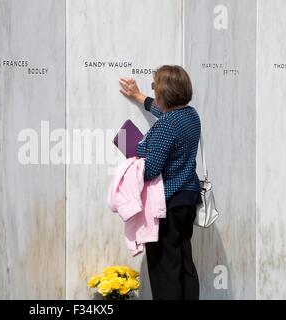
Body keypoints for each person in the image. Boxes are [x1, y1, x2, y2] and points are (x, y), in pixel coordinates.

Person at [119, 65, 202, 300]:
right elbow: (165, 113)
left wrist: (137, 151)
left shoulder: (167, 125)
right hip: (186, 202)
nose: (154, 92)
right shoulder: (190, 115)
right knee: (184, 264)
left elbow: (152, 168)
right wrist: (138, 96)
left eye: (155, 87)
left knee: (165, 270)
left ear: (165, 92)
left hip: (167, 204)